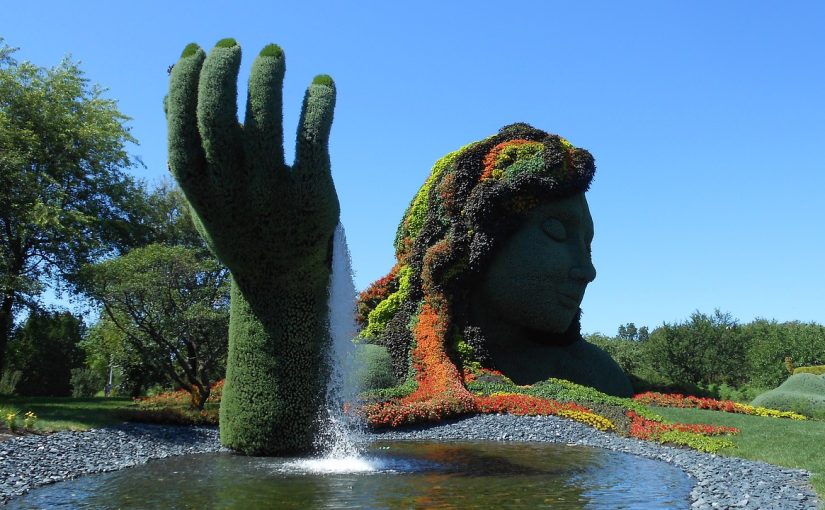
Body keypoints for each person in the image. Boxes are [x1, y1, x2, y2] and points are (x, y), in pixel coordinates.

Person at [357, 123, 633, 397]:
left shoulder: (597, 375)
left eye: (588, 246)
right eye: (556, 232)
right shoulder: (375, 371)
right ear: (470, 243)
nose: (587, 270)